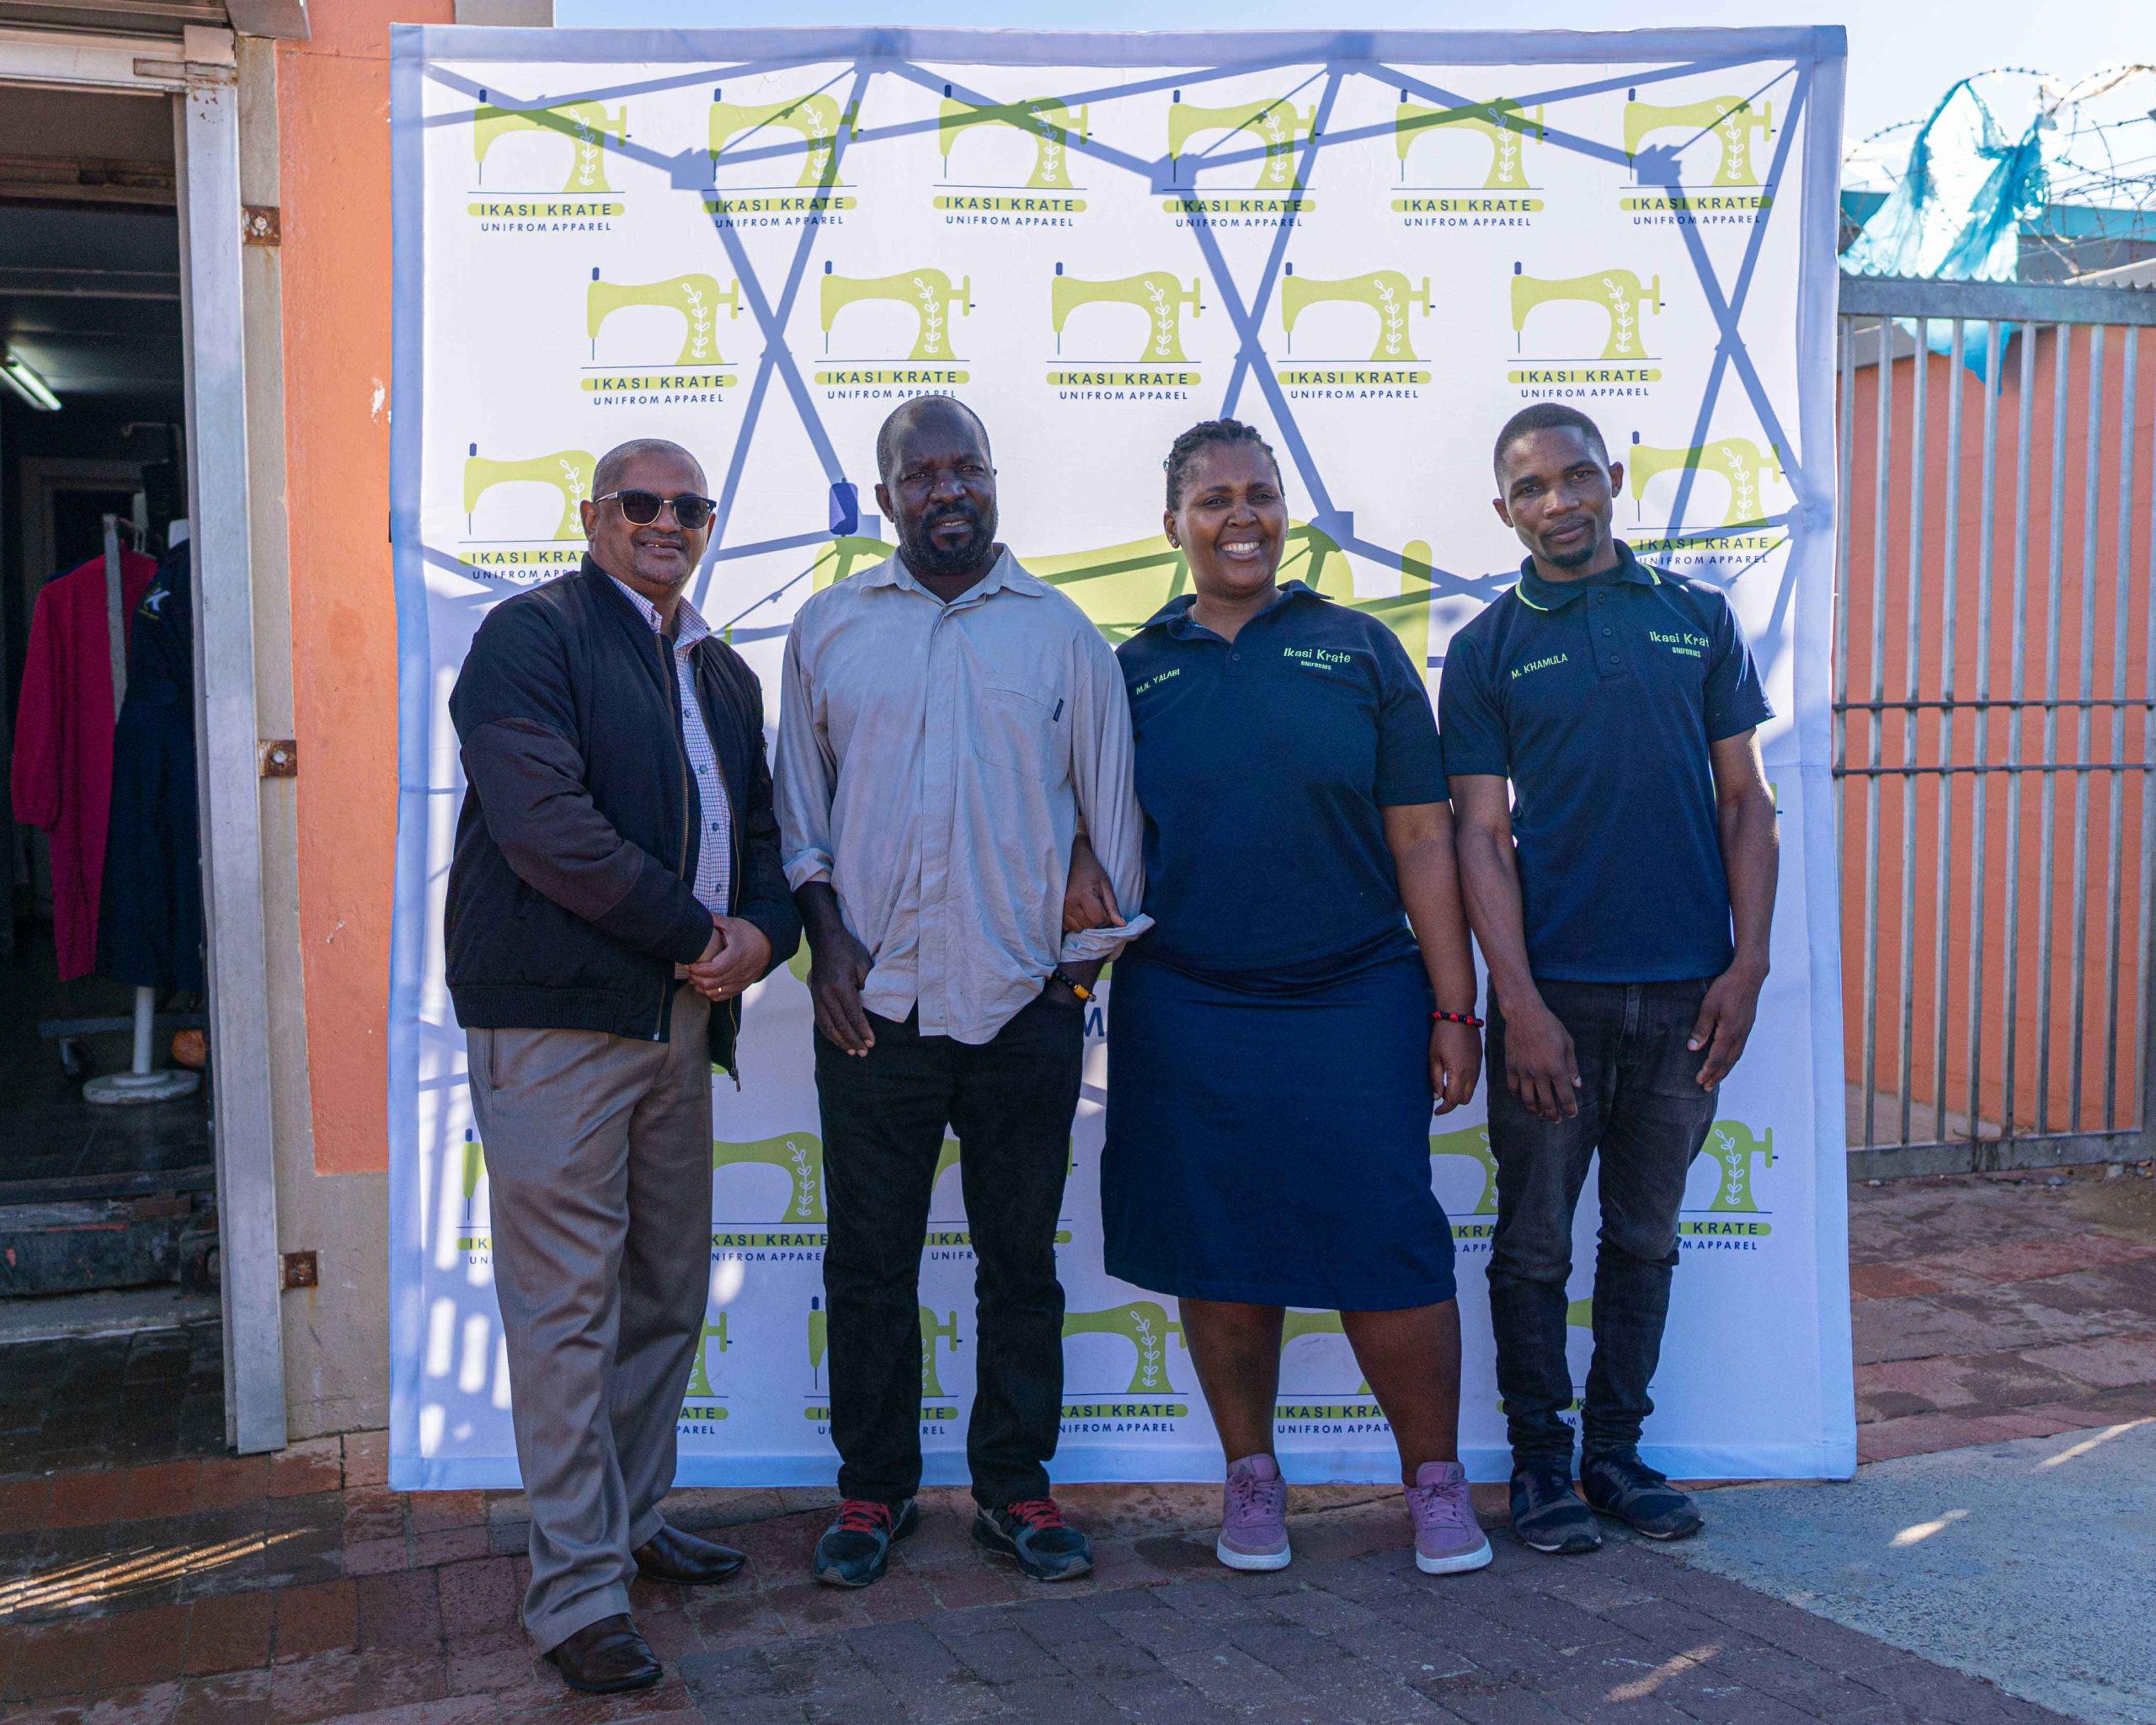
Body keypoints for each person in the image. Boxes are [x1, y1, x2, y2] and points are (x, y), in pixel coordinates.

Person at [1067, 418, 1492, 1578]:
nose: (1240, 517)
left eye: (1259, 493)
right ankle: (1250, 1476)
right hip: (1188, 1004)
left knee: (1386, 1239)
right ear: (1173, 524)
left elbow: (1424, 839)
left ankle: (1435, 1480)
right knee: (1220, 1247)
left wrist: (1455, 1008)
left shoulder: (1359, 649)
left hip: (1356, 995)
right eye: (1213, 500)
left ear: (1285, 512)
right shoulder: (1131, 670)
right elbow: (1088, 825)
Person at [774, 396, 1148, 1589]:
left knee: (1019, 1263)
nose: (949, 491)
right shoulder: (828, 627)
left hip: (1021, 1004)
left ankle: (1014, 1488)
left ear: (993, 480)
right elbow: (800, 816)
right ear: (885, 496)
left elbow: (1111, 817)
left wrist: (1072, 982)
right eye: (921, 473)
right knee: (867, 1261)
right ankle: (874, 1489)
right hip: (871, 1006)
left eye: (967, 468)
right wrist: (826, 943)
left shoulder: (1063, 636)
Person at [446, 438, 800, 1693]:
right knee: (565, 1311)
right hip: (557, 1023)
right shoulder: (530, 637)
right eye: (641, 503)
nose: (667, 521)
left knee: (661, 1292)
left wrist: (765, 936)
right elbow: (545, 827)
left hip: (680, 1020)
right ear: (592, 515)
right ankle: (576, 1594)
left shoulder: (721, 670)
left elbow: (762, 834)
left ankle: (633, 1519)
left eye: (689, 506)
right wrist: (698, 935)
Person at [1440, 402, 1778, 1556]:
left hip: (1688, 998)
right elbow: (1480, 836)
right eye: (1532, 488)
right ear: (1504, 510)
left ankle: (1616, 1457)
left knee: (1645, 1237)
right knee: (1535, 1242)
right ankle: (1541, 1467)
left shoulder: (1696, 618)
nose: (1560, 503)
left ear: (1614, 478)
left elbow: (1748, 802)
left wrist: (1747, 965)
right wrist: (1520, 1004)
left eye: (1577, 477)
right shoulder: (1486, 649)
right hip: (1559, 1005)